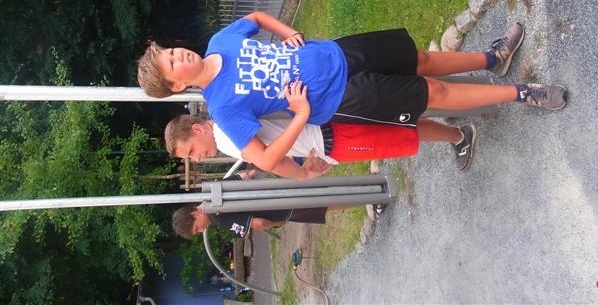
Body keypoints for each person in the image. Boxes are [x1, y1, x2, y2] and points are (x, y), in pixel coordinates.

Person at [138, 12, 566, 175]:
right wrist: (300, 115)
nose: (180, 54)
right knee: (431, 93)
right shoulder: (223, 108)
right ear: (178, 85)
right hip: (343, 97)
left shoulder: (220, 41)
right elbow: (265, 160)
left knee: (421, 60)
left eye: (172, 51)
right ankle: (521, 93)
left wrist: (288, 32)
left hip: (340, 52)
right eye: (173, 63)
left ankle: (492, 59)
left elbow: (255, 17)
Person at [164, 111, 478, 175]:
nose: (197, 158)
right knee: (394, 122)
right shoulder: (225, 118)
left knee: (398, 133)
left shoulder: (226, 136)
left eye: (191, 151)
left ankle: (459, 135)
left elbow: (273, 161)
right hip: (324, 127)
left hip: (329, 139)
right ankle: (453, 126)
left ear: (197, 128)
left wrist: (305, 173)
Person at [171, 172, 362, 240]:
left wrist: (276, 223)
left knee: (325, 205)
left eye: (196, 228)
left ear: (194, 214)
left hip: (282, 209)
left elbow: (258, 223)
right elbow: (245, 176)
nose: (201, 231)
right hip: (278, 188)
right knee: (323, 188)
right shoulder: (213, 190)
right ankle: (366, 185)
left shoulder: (219, 218)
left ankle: (368, 199)